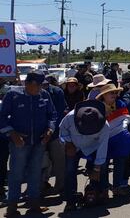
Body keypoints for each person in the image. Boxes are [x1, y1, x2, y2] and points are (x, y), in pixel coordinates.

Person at [0, 71, 57, 216]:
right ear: (27, 84)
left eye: (41, 85)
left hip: (39, 142)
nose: (40, 89)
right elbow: (2, 117)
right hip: (19, 144)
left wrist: (50, 129)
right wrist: (12, 134)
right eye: (37, 85)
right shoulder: (13, 95)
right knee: (16, 175)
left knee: (35, 173)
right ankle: (12, 207)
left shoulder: (44, 95)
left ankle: (34, 204)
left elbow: (52, 114)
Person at [58, 100, 110, 212]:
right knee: (69, 171)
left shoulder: (105, 126)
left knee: (102, 167)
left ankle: (97, 194)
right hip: (74, 146)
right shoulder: (70, 117)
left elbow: (102, 148)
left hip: (93, 147)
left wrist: (96, 169)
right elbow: (62, 130)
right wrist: (68, 143)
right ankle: (70, 200)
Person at [95, 84, 130, 196]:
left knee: (119, 163)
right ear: (104, 95)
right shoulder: (98, 107)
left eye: (115, 93)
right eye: (111, 93)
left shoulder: (120, 103)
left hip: (119, 138)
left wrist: (123, 126)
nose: (114, 95)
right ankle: (104, 188)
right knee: (103, 164)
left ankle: (117, 187)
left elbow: (126, 117)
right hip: (103, 140)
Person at [43, 75, 67, 195]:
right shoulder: (29, 93)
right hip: (39, 135)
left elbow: (59, 113)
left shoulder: (57, 92)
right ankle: (41, 185)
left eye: (45, 84)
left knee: (59, 162)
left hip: (56, 133)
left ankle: (60, 186)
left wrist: (51, 130)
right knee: (42, 162)